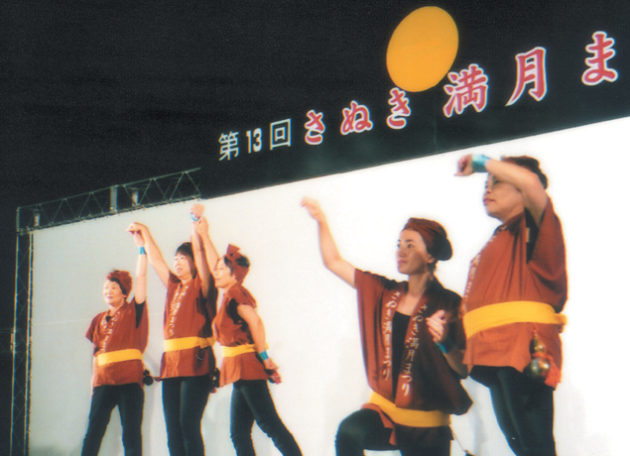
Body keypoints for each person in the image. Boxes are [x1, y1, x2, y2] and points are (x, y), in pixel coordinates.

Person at [302, 197, 471, 456]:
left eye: (410, 245)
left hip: (427, 426)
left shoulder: (449, 303)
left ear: (429, 255)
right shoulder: (385, 292)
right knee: (349, 432)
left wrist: (446, 343)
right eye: (398, 244)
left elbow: (463, 368)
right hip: (385, 413)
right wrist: (321, 221)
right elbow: (334, 262)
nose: (400, 251)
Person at [455, 154, 568, 456]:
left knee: (536, 446)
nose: (487, 190)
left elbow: (531, 183)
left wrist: (482, 162)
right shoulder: (501, 236)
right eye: (486, 184)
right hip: (493, 349)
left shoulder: (532, 227)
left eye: (497, 182)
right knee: (523, 446)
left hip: (521, 345)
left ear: (522, 189)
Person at [189, 205, 302, 456]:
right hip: (239, 369)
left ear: (234, 275)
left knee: (269, 424)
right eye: (218, 268)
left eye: (221, 269)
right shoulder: (230, 293)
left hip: (247, 367)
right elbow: (214, 262)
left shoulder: (236, 294)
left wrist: (265, 357)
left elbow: (256, 322)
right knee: (240, 433)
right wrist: (204, 234)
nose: (216, 271)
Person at [130, 216, 218, 456]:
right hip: (171, 366)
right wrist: (145, 236)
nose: (177, 263)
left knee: (189, 426)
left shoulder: (203, 286)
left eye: (183, 258)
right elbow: (157, 261)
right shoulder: (174, 286)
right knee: (173, 431)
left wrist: (197, 229)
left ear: (194, 263)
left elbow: (202, 256)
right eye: (176, 259)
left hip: (196, 363)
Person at [81, 227, 149, 456]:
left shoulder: (133, 311)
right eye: (106, 287)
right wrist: (93, 385)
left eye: (113, 287)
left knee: (131, 435)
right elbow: (96, 355)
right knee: (93, 433)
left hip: (129, 382)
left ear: (124, 292)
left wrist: (141, 249)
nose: (108, 291)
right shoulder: (98, 319)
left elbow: (141, 278)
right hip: (103, 383)